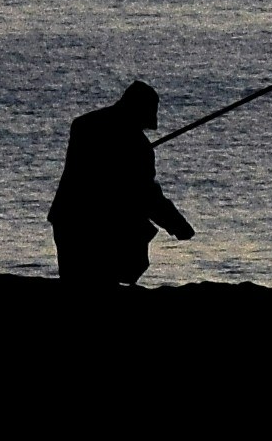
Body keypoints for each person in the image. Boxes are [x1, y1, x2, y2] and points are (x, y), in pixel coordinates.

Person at [52, 81, 195, 290]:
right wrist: (177, 225)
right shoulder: (138, 147)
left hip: (67, 221)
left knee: (74, 284)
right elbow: (147, 195)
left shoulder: (84, 125)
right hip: (100, 229)